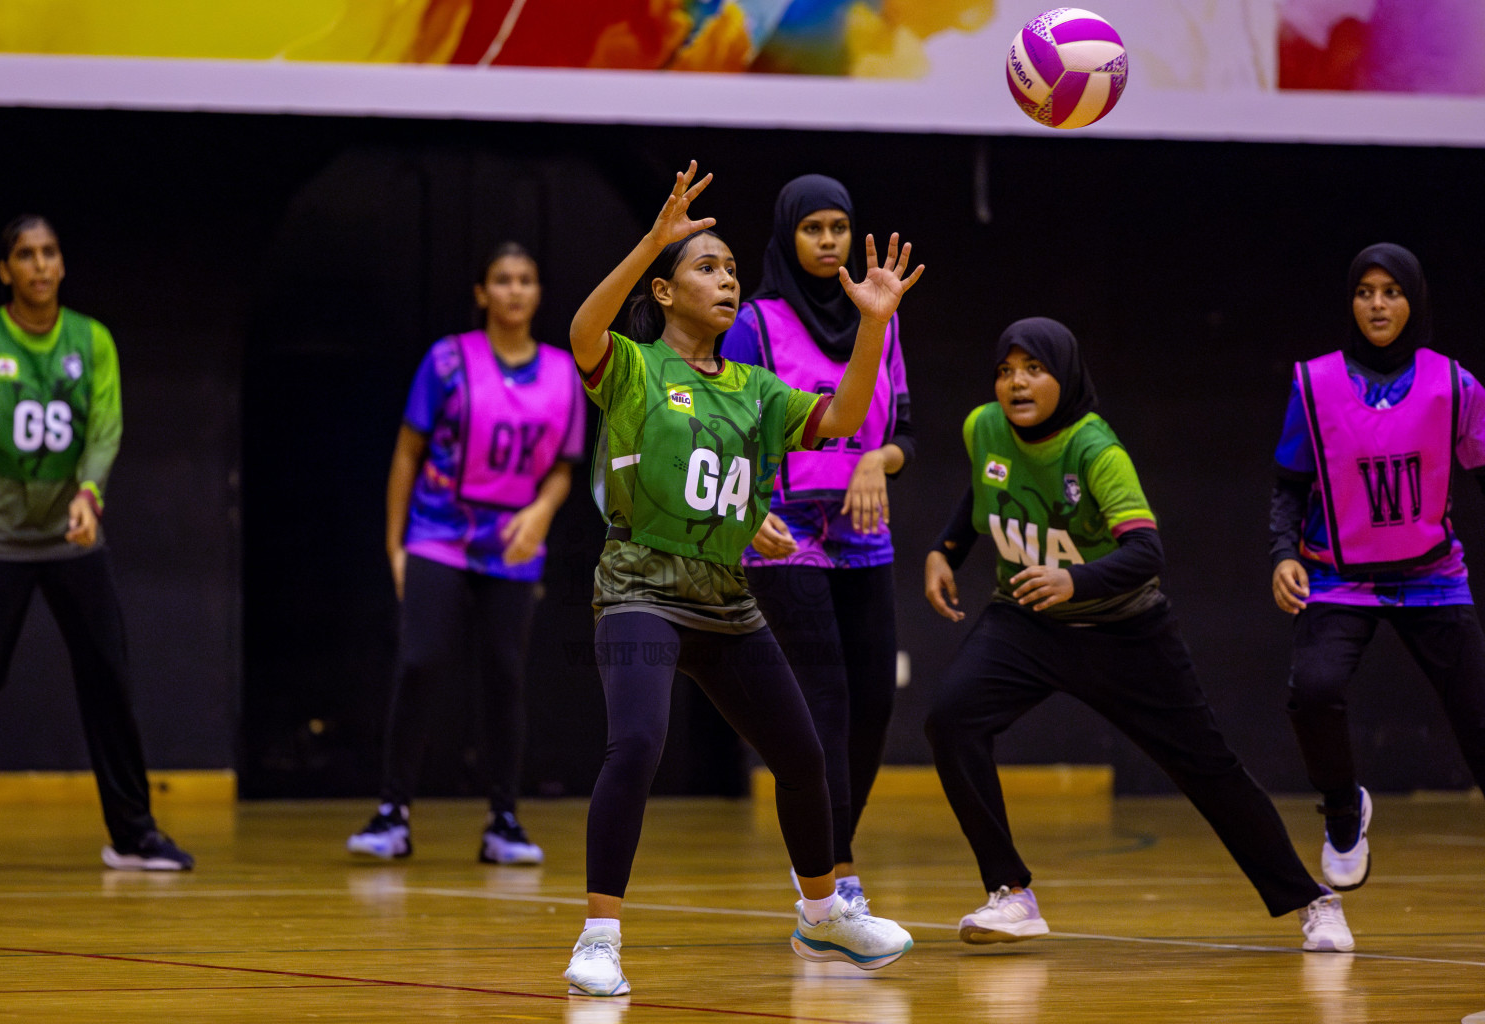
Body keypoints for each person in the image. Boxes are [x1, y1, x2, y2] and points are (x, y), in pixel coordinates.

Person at [561, 161, 922, 997]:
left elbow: (843, 419)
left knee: (802, 756)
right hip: (641, 588)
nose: (726, 280)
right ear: (663, 291)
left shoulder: (758, 390)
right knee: (637, 744)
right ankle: (598, 938)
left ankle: (822, 916)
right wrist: (652, 239)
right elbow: (582, 328)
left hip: (725, 600)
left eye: (730, 268)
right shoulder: (633, 367)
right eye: (706, 267)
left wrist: (873, 325)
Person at [923, 317, 1353, 952]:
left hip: (1122, 629)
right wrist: (946, 549)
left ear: (1065, 376)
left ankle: (1313, 900)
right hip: (1026, 621)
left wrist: (1074, 581)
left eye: (1034, 369)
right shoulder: (982, 426)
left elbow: (1147, 551)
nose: (1017, 383)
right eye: (1006, 370)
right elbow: (988, 484)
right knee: (950, 720)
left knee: (1207, 768)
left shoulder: (1096, 450)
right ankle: (1010, 892)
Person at [0, 215, 192, 870]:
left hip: (71, 535)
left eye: (50, 252)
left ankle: (133, 834)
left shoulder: (91, 339)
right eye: (26, 255)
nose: (40, 265)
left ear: (62, 265)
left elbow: (105, 426)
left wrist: (89, 494)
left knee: (107, 674)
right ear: (5, 271)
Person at [347, 242, 583, 865]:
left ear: (538, 292)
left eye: (525, 279)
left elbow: (565, 467)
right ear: (481, 293)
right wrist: (396, 544)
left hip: (512, 539)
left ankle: (504, 820)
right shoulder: (448, 360)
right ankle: (392, 814)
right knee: (420, 662)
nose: (514, 290)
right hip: (439, 529)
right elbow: (407, 453)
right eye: (502, 279)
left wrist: (541, 511)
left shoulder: (562, 372)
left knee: (505, 673)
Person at [720, 174, 912, 908]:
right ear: (788, 236)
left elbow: (905, 435)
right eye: (813, 229)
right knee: (824, 701)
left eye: (839, 227)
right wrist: (743, 512)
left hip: (864, 533)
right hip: (785, 532)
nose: (829, 241)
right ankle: (833, 879)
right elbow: (725, 428)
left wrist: (877, 460)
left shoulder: (879, 317)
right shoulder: (755, 324)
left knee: (874, 703)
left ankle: (829, 853)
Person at [1270, 242, 1485, 892]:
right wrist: (1282, 554)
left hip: (1431, 577)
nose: (1377, 304)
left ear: (1413, 300)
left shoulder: (1456, 386)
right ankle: (1343, 813)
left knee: (1478, 716)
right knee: (1313, 690)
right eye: (1365, 292)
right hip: (1340, 575)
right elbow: (1288, 484)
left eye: (1391, 292)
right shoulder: (1315, 384)